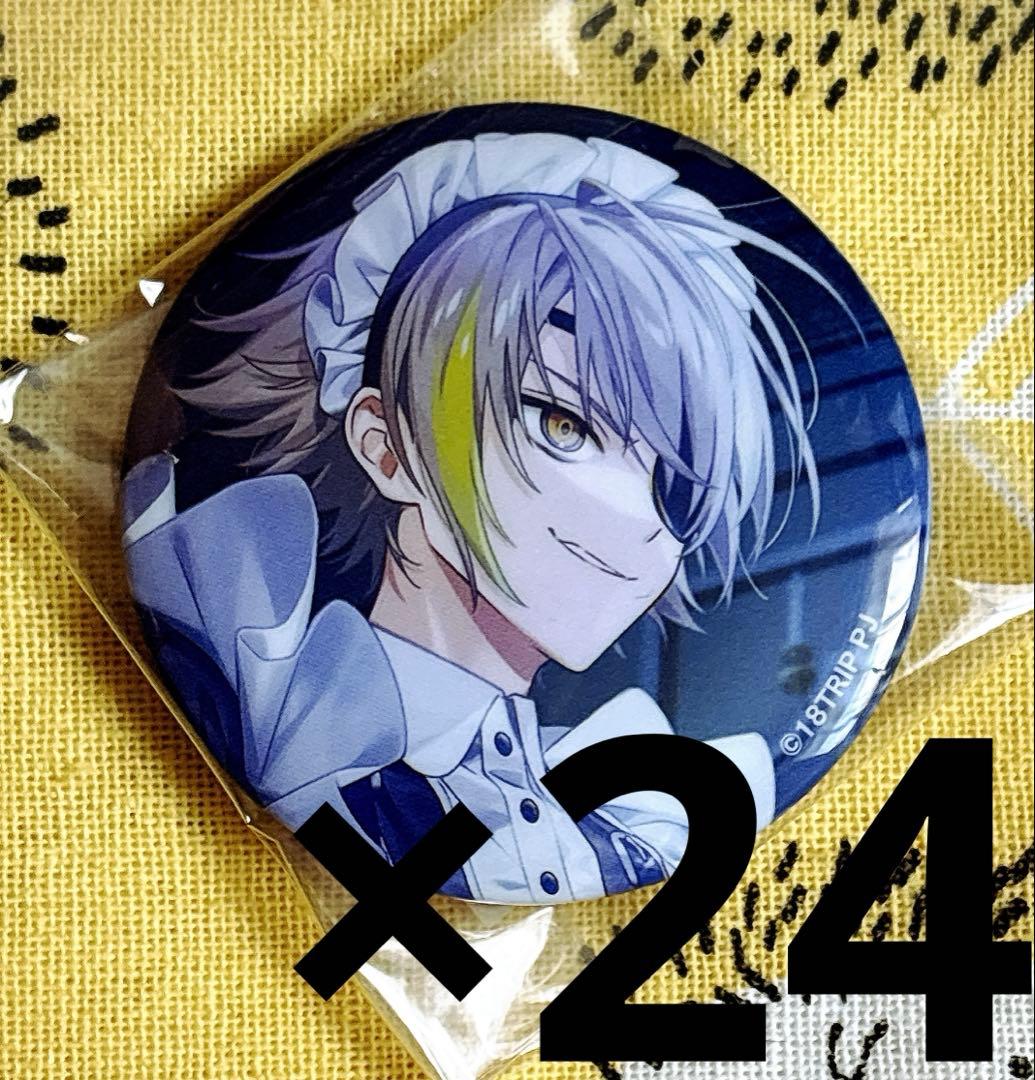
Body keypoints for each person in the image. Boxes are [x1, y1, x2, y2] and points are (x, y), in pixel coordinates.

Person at [122, 132, 839, 904]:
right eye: (562, 425)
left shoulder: (635, 816)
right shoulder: (257, 697)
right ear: (386, 445)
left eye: (674, 482)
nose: (638, 521)